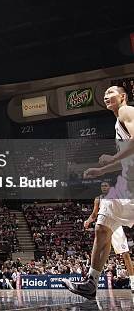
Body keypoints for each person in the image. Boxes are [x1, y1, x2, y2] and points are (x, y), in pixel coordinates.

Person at [62, 86, 134, 299]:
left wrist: (111, 160)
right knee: (102, 228)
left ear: (123, 96)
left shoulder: (126, 111)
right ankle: (91, 283)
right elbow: (126, 158)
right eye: (104, 93)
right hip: (126, 183)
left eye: (111, 91)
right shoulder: (118, 122)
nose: (106, 94)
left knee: (103, 227)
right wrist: (101, 169)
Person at [84, 181, 134, 292]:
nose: (104, 187)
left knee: (125, 254)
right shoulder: (98, 199)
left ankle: (133, 282)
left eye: (106, 185)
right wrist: (88, 221)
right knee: (102, 249)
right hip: (103, 224)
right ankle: (92, 280)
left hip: (115, 225)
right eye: (102, 186)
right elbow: (94, 214)